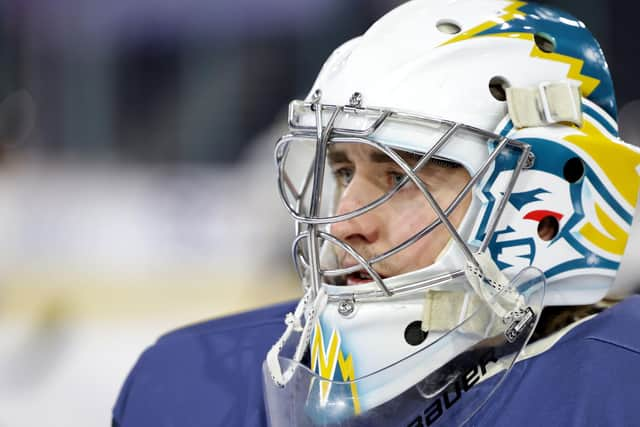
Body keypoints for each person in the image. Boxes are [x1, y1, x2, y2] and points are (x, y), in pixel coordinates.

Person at [113, 1, 640, 426]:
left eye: (402, 178)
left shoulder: (617, 385)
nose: (343, 224)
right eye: (344, 171)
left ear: (546, 207)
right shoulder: (187, 383)